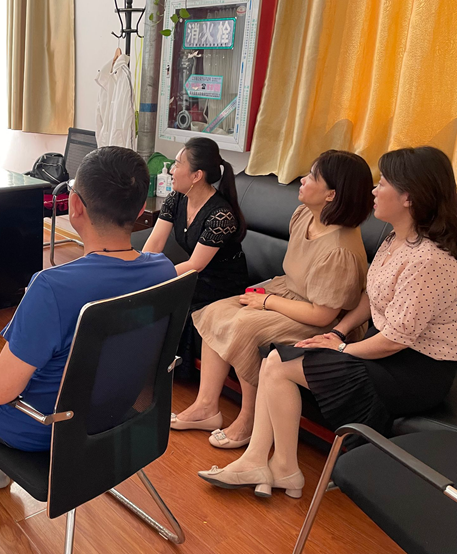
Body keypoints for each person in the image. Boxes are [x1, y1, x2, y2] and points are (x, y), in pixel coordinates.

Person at [199, 146, 457, 498]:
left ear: (409, 197)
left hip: (412, 371)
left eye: (383, 183)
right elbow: (371, 297)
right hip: (384, 350)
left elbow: (395, 340)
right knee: (275, 359)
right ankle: (273, 465)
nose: (374, 190)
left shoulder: (430, 260)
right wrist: (338, 331)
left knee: (280, 363)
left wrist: (342, 348)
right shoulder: (396, 239)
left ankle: (271, 465)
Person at [0, 146, 177, 490]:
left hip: (38, 428)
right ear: (141, 209)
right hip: (117, 414)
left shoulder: (53, 287)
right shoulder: (163, 271)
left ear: (74, 206)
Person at [173, 150, 375, 452]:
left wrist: (266, 302)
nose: (302, 180)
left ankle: (248, 418)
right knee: (215, 311)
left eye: (312, 177)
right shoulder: (304, 215)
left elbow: (322, 315)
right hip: (287, 292)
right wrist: (265, 297)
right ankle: (206, 407)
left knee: (244, 327)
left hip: (320, 317)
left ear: (331, 194)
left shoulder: (339, 250)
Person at [144, 137, 249, 310]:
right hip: (195, 277)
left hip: (221, 285)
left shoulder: (221, 216)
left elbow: (195, 265)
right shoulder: (176, 198)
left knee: (159, 299)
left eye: (177, 165)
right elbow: (155, 242)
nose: (171, 170)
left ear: (196, 176)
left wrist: (154, 277)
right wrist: (140, 269)